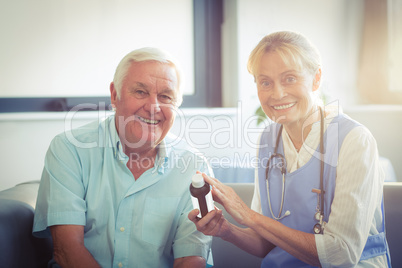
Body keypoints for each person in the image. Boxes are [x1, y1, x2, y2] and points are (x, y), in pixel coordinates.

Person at [189, 31, 391, 267]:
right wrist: (228, 231)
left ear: (316, 78)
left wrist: (248, 215)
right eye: (265, 82)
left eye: (290, 79)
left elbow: (340, 256)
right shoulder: (268, 139)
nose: (277, 94)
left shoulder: (355, 140)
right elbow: (265, 243)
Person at [33, 47, 213, 268]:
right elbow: (68, 251)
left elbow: (191, 258)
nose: (153, 107)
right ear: (114, 95)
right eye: (140, 92)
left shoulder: (195, 166)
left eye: (166, 96)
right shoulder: (69, 150)